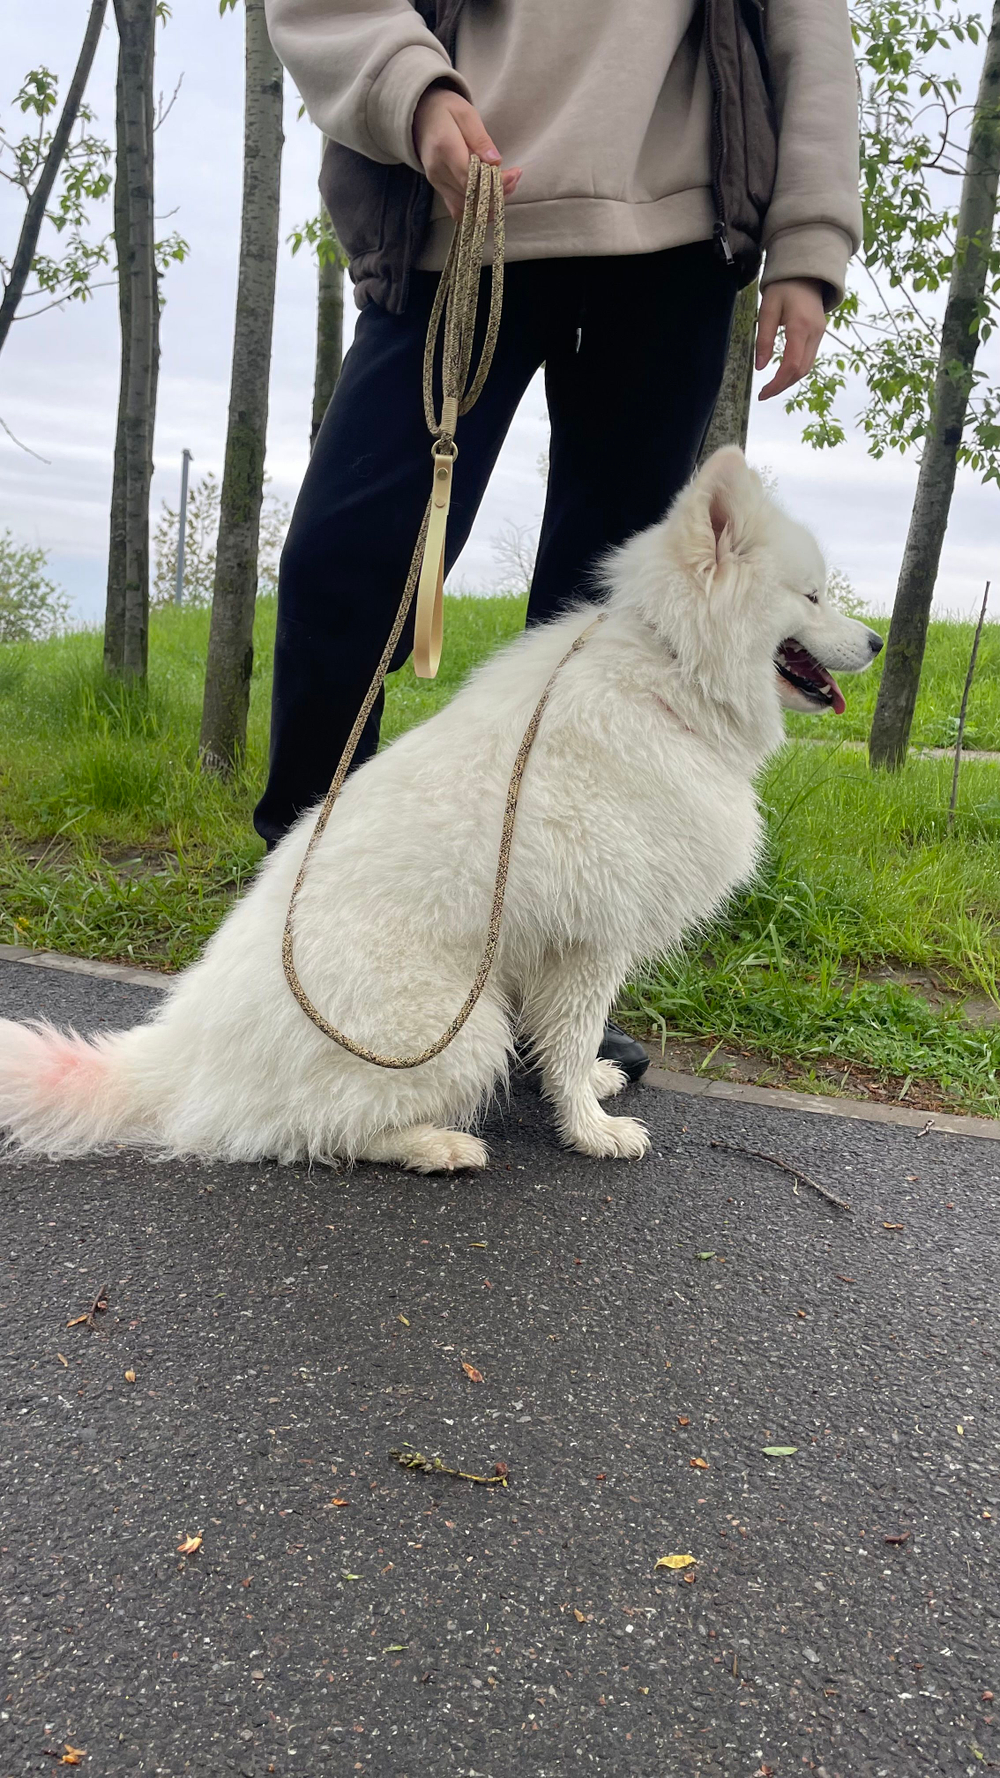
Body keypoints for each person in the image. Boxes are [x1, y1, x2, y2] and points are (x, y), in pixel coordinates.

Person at [256, 0, 862, 1082]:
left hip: (674, 244)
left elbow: (810, 33)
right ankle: (297, 920)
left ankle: (542, 980)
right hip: (458, 210)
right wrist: (415, 88)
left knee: (604, 642)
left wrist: (810, 240)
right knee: (345, 574)